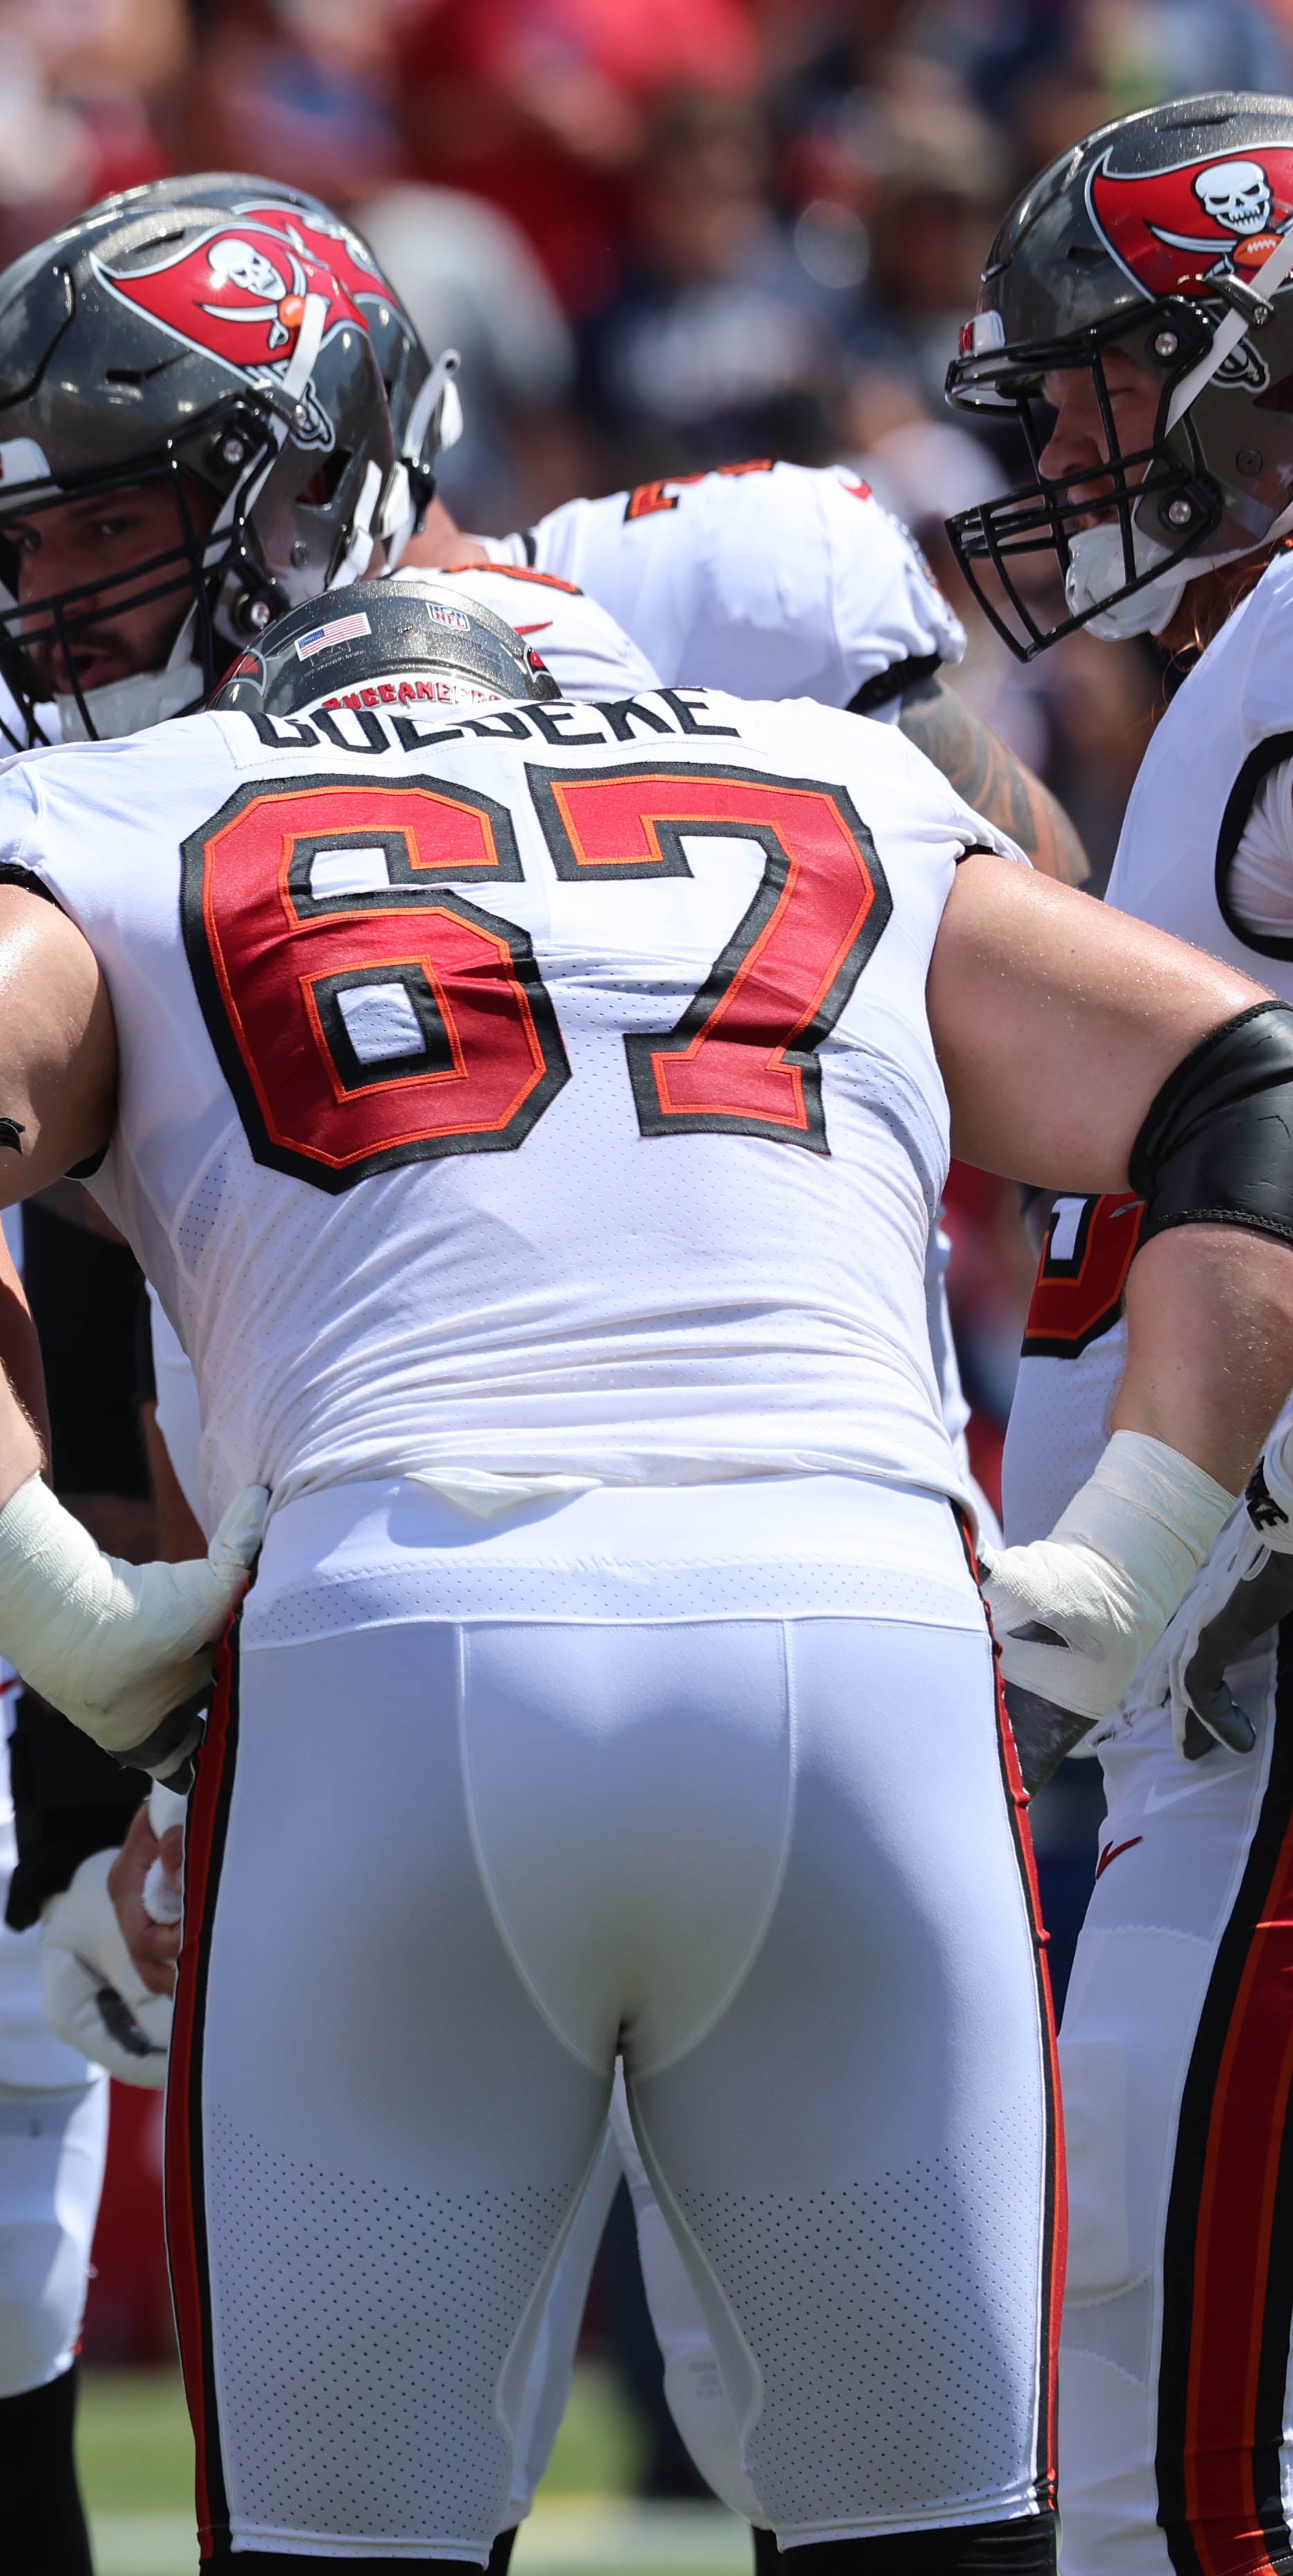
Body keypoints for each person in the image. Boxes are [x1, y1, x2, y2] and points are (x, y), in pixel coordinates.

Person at [0, 573, 1293, 2571]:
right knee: (930, 2535)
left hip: (396, 1649)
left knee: (347, 2541)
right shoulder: (825, 781)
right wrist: (1131, 1549)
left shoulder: (135, 807)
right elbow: (1238, 1093)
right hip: (853, 1637)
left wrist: (55, 1614)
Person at [938, 87, 1293, 2576]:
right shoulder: (1228, 661)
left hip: (1254, 1653)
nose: (1056, 437)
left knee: (1164, 2453)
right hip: (1204, 1662)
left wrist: (1159, 1534)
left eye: (1100, 372)